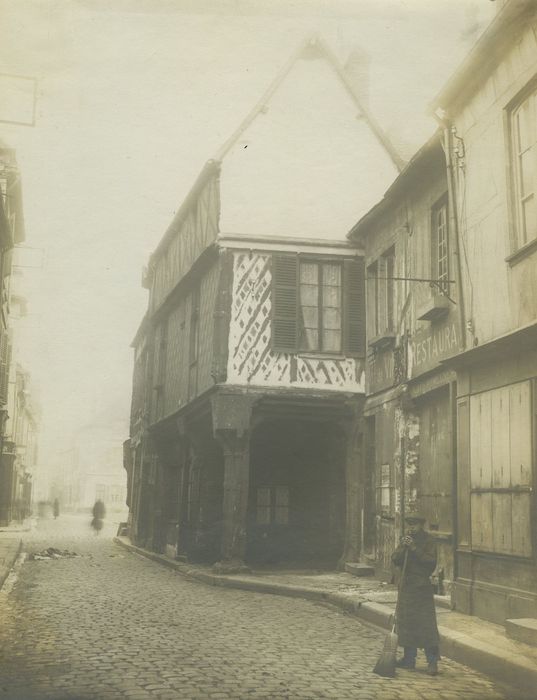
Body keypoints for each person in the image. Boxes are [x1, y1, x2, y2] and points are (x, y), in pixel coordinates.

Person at [392, 511, 440, 676]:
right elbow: (395, 559)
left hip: (421, 588)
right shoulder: (405, 539)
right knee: (407, 623)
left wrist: (413, 548)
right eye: (409, 525)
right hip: (406, 587)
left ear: (421, 525)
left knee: (426, 625)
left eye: (414, 525)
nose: (411, 528)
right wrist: (403, 548)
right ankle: (408, 659)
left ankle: (432, 662)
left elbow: (430, 563)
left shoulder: (429, 541)